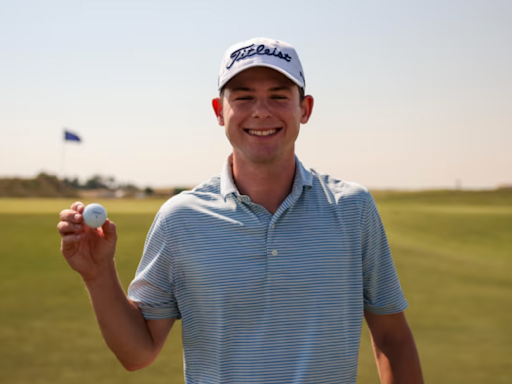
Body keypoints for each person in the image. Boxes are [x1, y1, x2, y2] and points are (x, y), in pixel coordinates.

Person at [57, 37, 423, 384]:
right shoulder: (180, 218)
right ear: (220, 111)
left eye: (278, 96)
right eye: (244, 98)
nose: (261, 111)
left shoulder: (352, 208)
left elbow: (392, 338)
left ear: (305, 108)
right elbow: (137, 354)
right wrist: (98, 274)